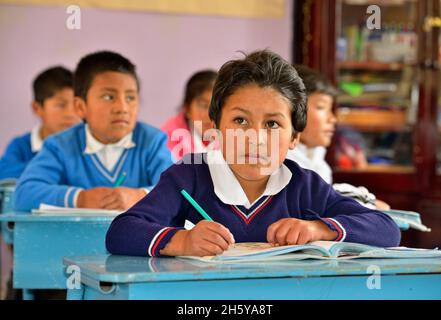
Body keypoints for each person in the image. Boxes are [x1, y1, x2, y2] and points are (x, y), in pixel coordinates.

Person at [105, 50, 400, 257]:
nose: (254, 138)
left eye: (272, 124)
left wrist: (317, 229)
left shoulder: (303, 186)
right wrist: (181, 241)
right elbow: (121, 232)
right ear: (216, 127)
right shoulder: (188, 177)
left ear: (295, 137)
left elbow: (387, 230)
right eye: (240, 121)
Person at [14, 51, 173, 212]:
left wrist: (140, 196)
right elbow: (24, 194)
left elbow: (177, 192)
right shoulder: (60, 146)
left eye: (130, 98)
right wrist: (79, 198)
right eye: (108, 97)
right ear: (80, 107)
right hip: (76, 237)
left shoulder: (153, 142)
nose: (122, 108)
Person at [287, 65, 390, 210]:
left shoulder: (318, 160)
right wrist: (366, 202)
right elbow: (315, 201)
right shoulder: (281, 161)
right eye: (322, 107)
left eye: (331, 110)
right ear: (293, 111)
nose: (332, 119)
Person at [0, 66, 80, 181]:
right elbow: (4, 173)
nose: (71, 114)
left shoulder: (87, 143)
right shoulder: (21, 145)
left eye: (76, 105)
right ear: (37, 108)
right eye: (61, 105)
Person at [161, 70, 217, 160]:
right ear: (187, 109)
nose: (211, 114)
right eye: (203, 105)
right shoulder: (169, 137)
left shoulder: (231, 131)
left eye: (217, 105)